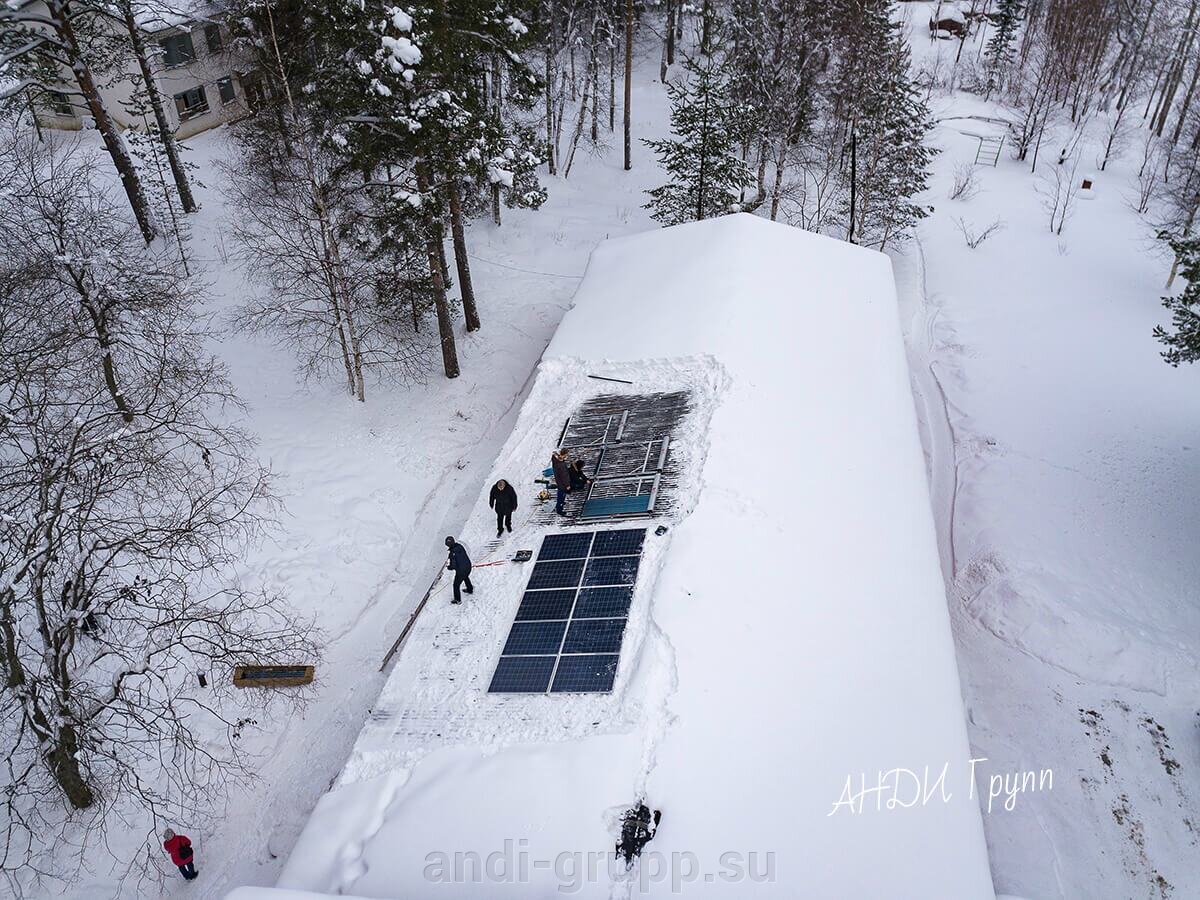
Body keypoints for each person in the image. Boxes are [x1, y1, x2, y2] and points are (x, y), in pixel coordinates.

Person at [445, 536, 473, 604]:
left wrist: (449, 567)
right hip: (468, 566)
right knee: (465, 576)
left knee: (456, 585)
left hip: (461, 571)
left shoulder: (452, 553)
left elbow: (453, 566)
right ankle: (470, 589)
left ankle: (458, 600)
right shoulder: (460, 546)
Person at [551, 449, 571, 515]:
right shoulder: (561, 465)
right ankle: (559, 509)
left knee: (561, 493)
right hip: (562, 483)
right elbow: (564, 476)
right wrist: (567, 485)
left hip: (559, 480)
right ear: (564, 455)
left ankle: (560, 504)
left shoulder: (556, 460)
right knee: (561, 495)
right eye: (567, 455)